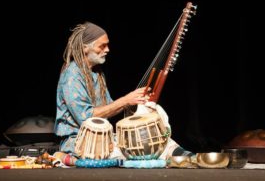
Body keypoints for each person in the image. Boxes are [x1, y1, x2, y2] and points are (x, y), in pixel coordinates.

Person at [54, 21, 193, 160]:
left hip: (104, 138)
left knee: (157, 142)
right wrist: (126, 100)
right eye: (102, 46)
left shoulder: (97, 73)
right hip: (78, 141)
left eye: (107, 44)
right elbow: (86, 117)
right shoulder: (72, 75)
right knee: (137, 151)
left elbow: (109, 108)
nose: (107, 49)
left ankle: (189, 159)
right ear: (85, 48)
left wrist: (135, 103)